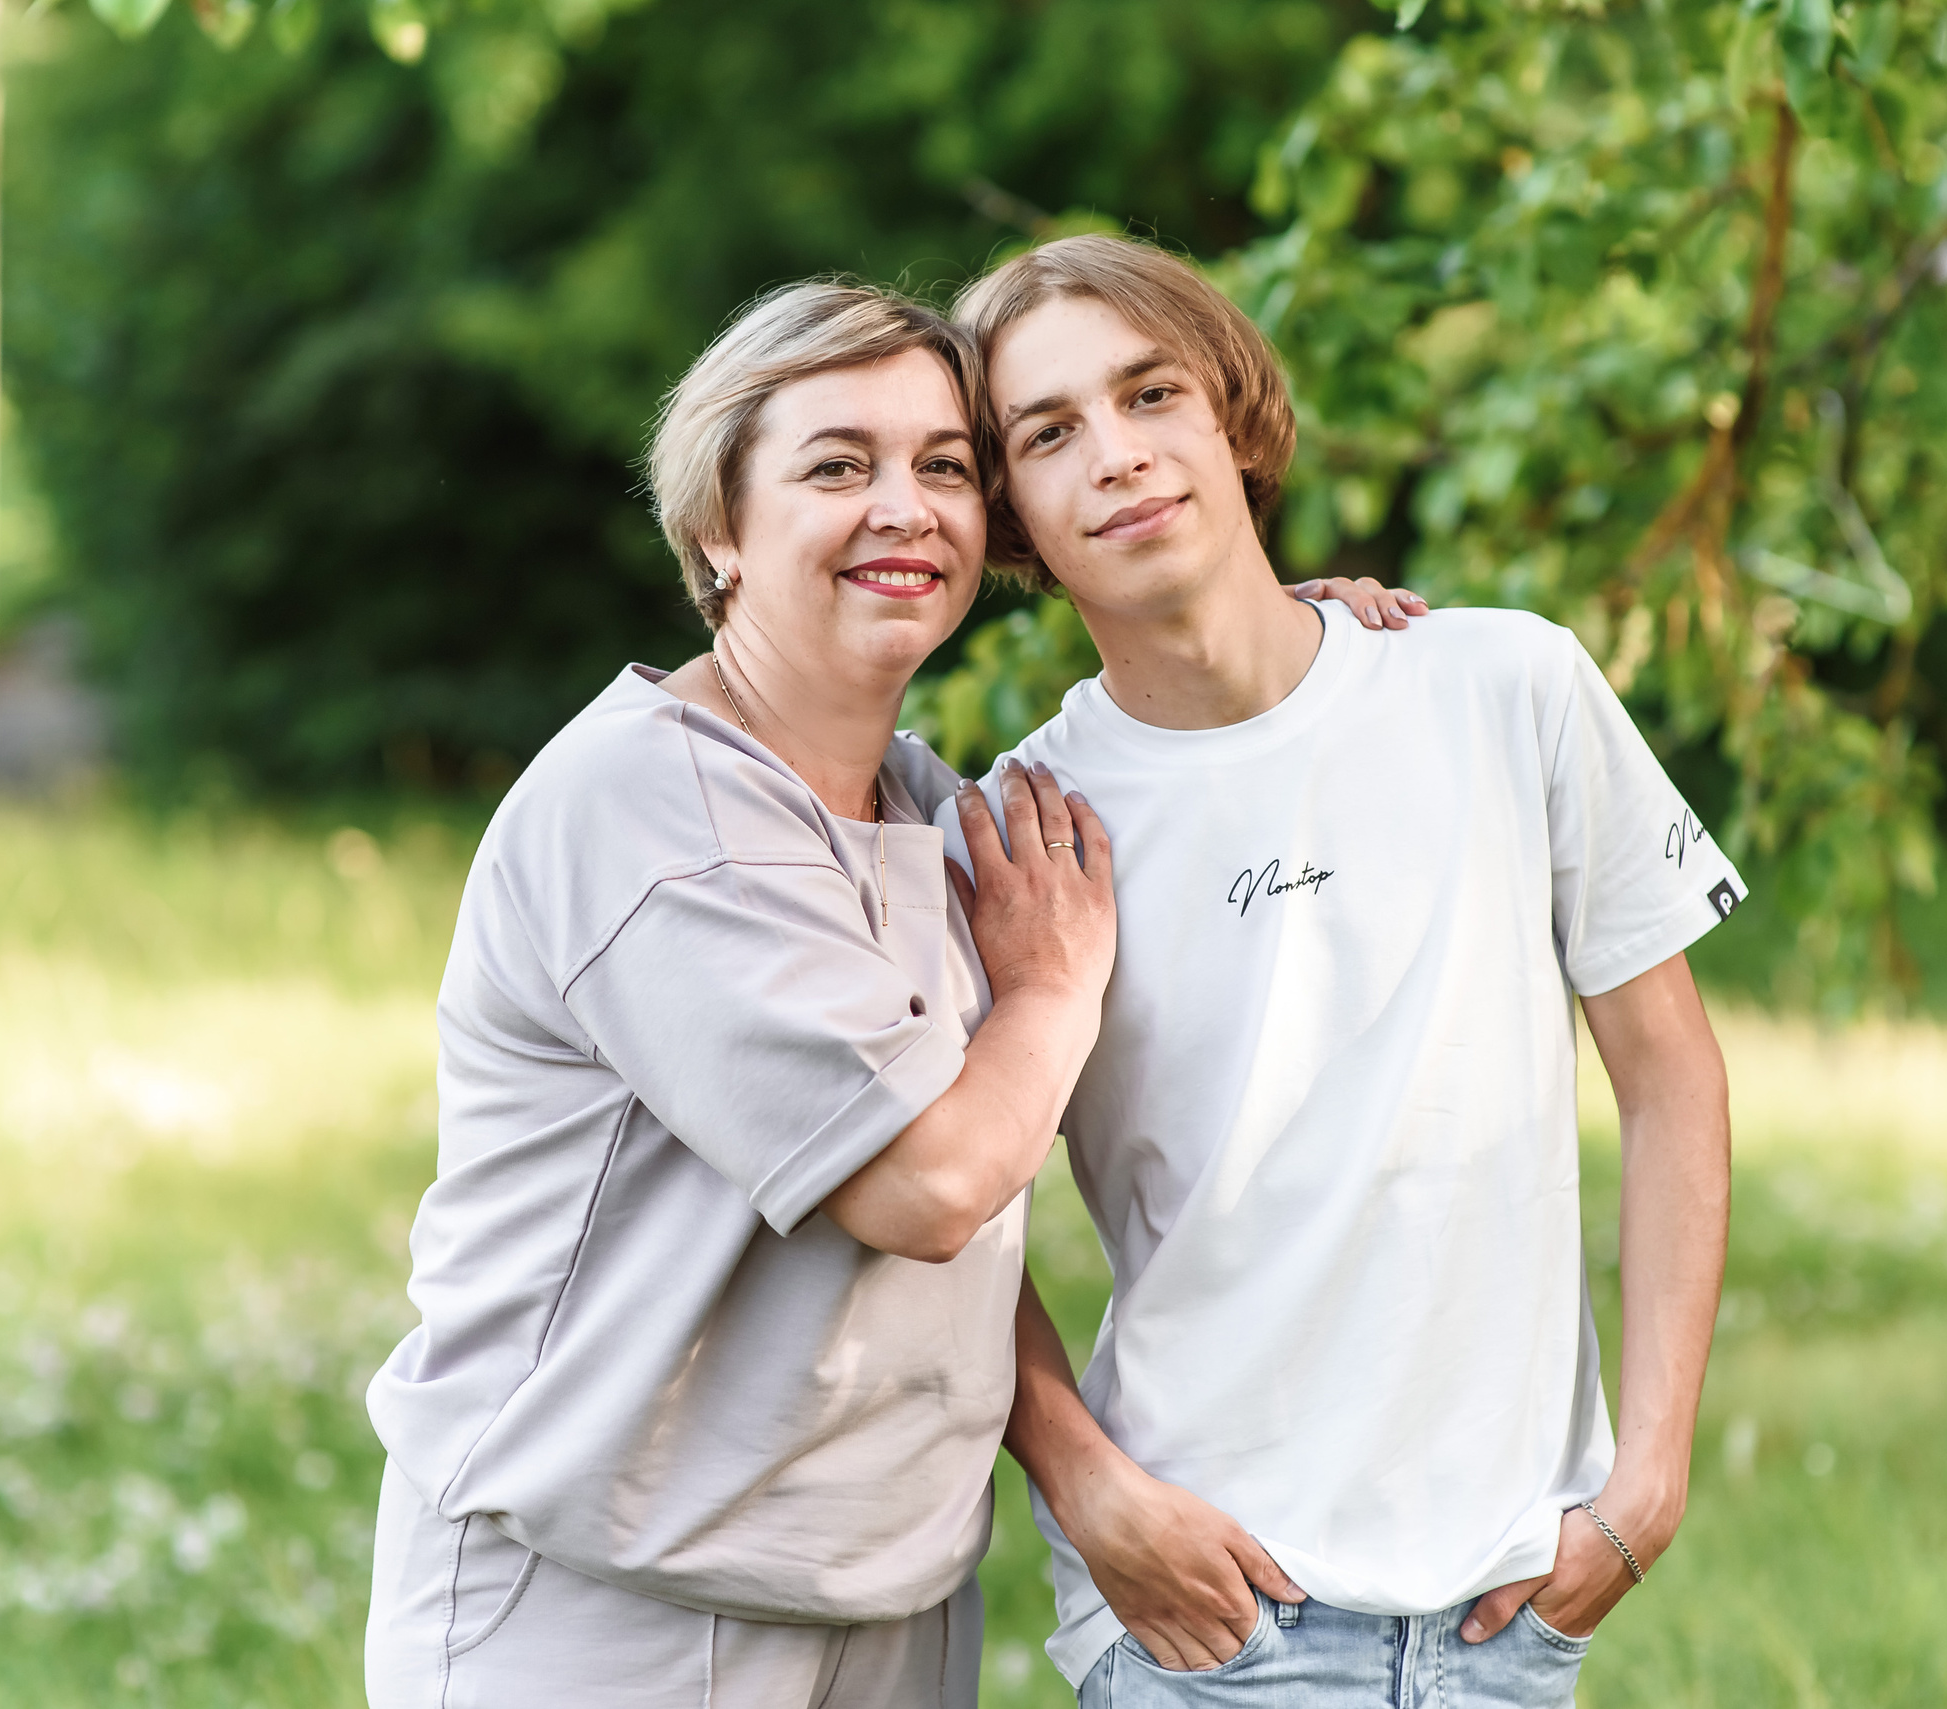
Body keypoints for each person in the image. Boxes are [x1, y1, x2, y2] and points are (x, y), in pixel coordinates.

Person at [360, 276, 1416, 1708]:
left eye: (945, 467)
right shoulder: (649, 812)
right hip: (608, 1614)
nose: (905, 507)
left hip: (883, 1605)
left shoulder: (919, 805)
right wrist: (1046, 995)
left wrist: (1263, 632)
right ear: (720, 531)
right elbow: (928, 1186)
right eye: (838, 466)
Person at [942, 234, 1737, 1708]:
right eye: (1049, 433)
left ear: (1233, 414)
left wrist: (1650, 1478)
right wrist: (1088, 1484)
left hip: (1508, 1616)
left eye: (1149, 393)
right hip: (1213, 1615)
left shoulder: (1508, 687)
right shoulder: (1020, 835)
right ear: (1008, 514)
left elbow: (1672, 1068)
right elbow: (941, 1212)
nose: (1115, 454)